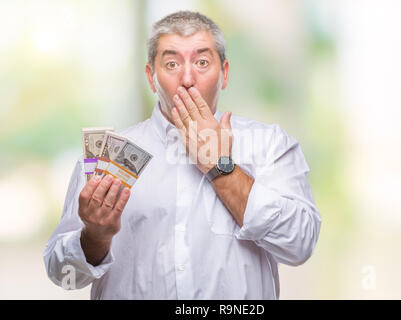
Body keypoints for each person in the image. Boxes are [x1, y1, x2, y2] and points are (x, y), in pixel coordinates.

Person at [43, 10, 321, 299]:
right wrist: (94, 236)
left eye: (202, 62)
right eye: (172, 63)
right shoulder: (107, 158)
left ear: (224, 74)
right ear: (151, 78)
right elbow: (63, 277)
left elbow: (299, 244)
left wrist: (220, 167)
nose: (187, 78)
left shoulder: (269, 145)